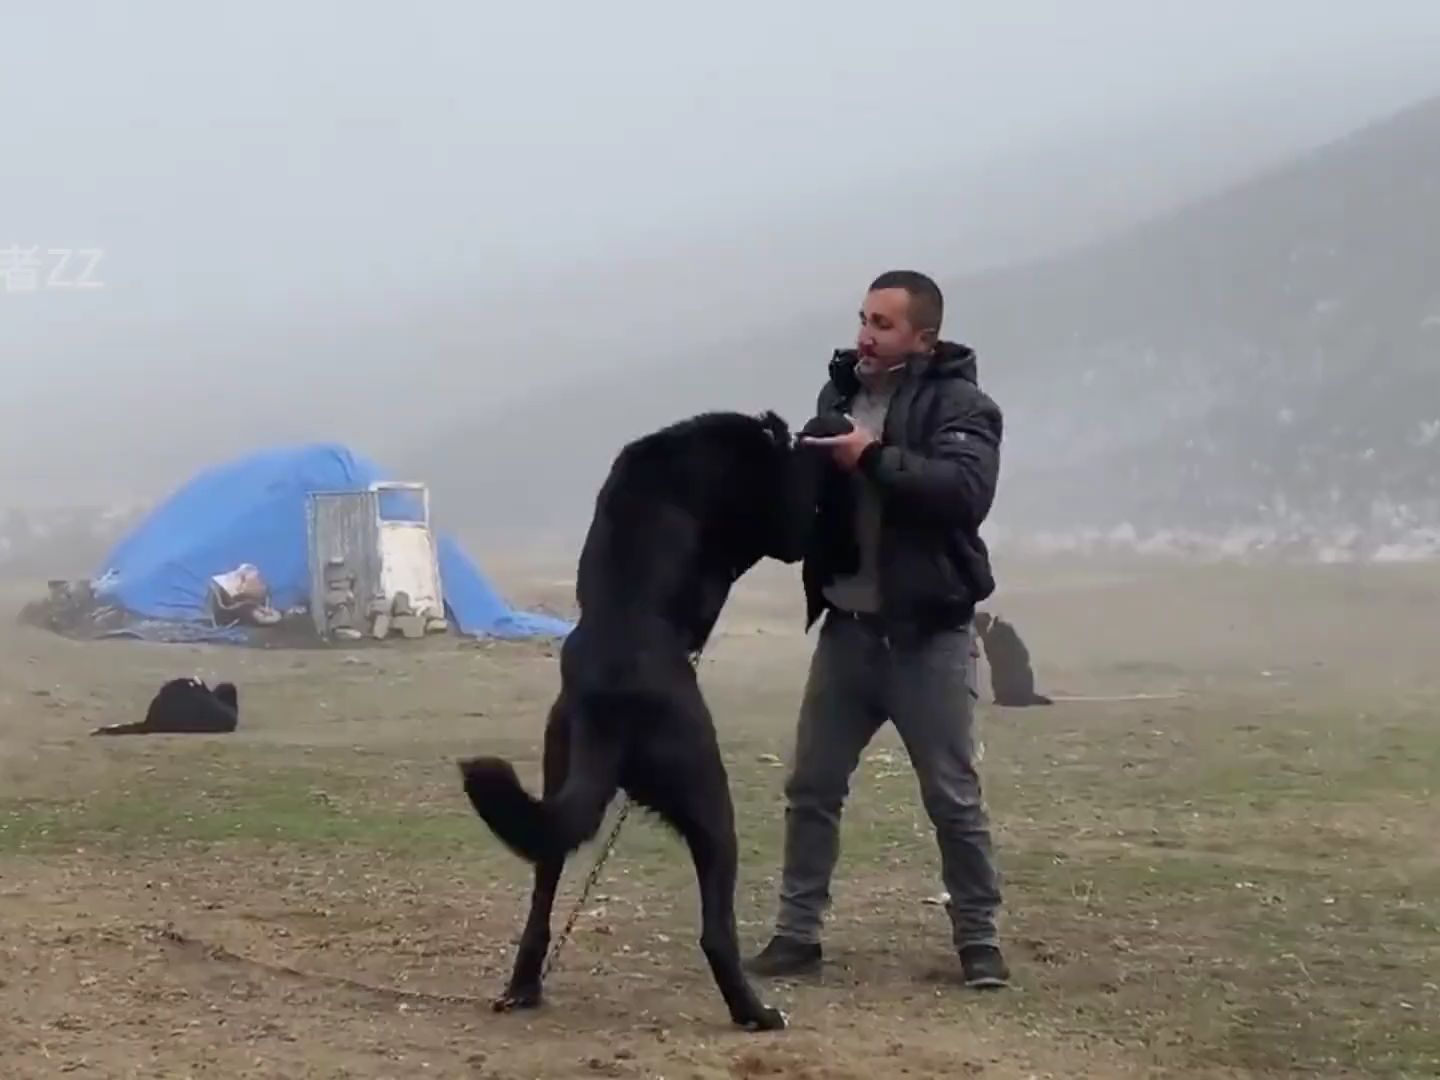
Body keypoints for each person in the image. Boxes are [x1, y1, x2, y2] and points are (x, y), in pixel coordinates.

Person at [745, 270, 1010, 989]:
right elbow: (823, 508)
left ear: (923, 338)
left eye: (885, 323)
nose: (866, 333)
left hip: (929, 637)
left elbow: (963, 493)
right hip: (848, 632)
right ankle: (797, 937)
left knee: (951, 797)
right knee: (811, 788)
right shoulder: (839, 396)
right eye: (864, 317)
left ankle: (979, 942)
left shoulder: (965, 406)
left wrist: (870, 455)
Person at [974, 611, 1053, 707]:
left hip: (1012, 683)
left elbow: (998, 662)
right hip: (1020, 682)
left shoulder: (995, 635)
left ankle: (1008, 697)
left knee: (999, 671)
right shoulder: (1002, 630)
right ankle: (1013, 696)